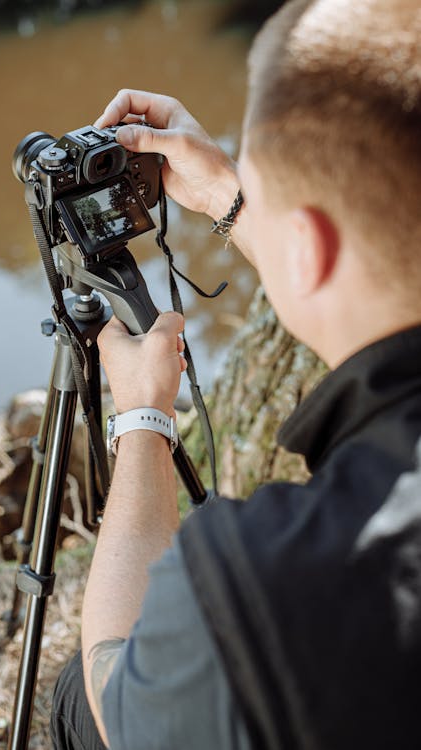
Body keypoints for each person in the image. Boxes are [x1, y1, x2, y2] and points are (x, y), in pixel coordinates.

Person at [50, 0, 421, 747]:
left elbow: (117, 698)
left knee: (75, 704)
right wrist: (233, 195)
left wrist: (144, 416)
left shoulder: (267, 584)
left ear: (306, 247)